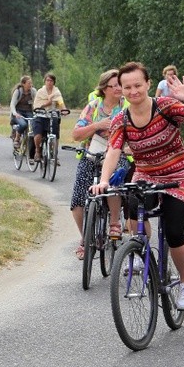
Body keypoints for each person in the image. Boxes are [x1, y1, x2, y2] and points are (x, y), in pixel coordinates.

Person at [92, 61, 184, 310]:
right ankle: (140, 247)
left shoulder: (165, 106)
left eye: (138, 85)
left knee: (175, 233)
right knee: (133, 212)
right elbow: (113, 150)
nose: (133, 91)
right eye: (127, 87)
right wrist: (103, 181)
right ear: (120, 89)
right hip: (145, 175)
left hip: (177, 175)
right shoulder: (121, 119)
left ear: (148, 84)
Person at [70, 69, 127, 259]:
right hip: (92, 154)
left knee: (112, 181)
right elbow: (76, 134)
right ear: (104, 88)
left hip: (118, 153)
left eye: (120, 84)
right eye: (115, 85)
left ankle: (114, 223)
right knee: (78, 199)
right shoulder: (93, 107)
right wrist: (98, 125)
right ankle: (85, 238)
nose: (119, 88)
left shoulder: (127, 106)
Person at [32, 72, 68, 162]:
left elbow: (60, 102)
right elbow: (36, 106)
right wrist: (46, 104)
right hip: (40, 115)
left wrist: (64, 110)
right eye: (47, 80)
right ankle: (37, 151)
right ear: (45, 81)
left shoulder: (56, 92)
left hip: (51, 116)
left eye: (51, 81)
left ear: (54, 82)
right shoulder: (40, 92)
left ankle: (54, 154)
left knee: (55, 135)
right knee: (38, 136)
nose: (49, 82)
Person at [9, 75, 36, 147]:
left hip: (29, 112)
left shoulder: (33, 91)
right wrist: (15, 113)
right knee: (23, 124)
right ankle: (17, 139)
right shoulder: (18, 92)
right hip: (18, 112)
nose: (30, 85)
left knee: (34, 125)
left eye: (31, 83)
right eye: (29, 83)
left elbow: (37, 102)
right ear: (23, 84)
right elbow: (12, 104)